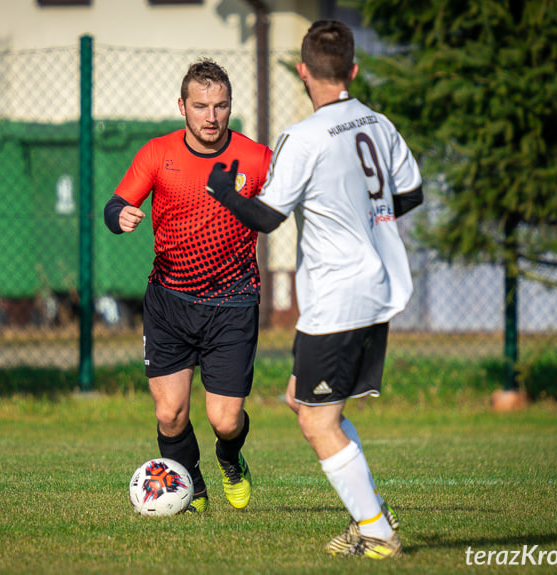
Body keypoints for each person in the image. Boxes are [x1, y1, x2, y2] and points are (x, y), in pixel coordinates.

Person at [206, 20, 423, 558]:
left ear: (302, 71)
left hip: (337, 300)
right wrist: (363, 217)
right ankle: (369, 510)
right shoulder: (378, 123)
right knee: (301, 402)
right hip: (376, 288)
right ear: (352, 70)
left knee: (317, 420)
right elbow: (411, 195)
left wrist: (223, 191)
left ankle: (376, 530)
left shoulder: (303, 138)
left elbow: (266, 217)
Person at [104, 59, 273, 513]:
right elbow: (116, 204)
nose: (211, 117)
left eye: (220, 106)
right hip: (170, 302)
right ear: (182, 106)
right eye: (201, 106)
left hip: (233, 302)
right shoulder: (158, 154)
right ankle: (191, 485)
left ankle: (230, 459)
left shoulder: (256, 158)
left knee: (225, 419)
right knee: (169, 413)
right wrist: (119, 217)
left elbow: (283, 207)